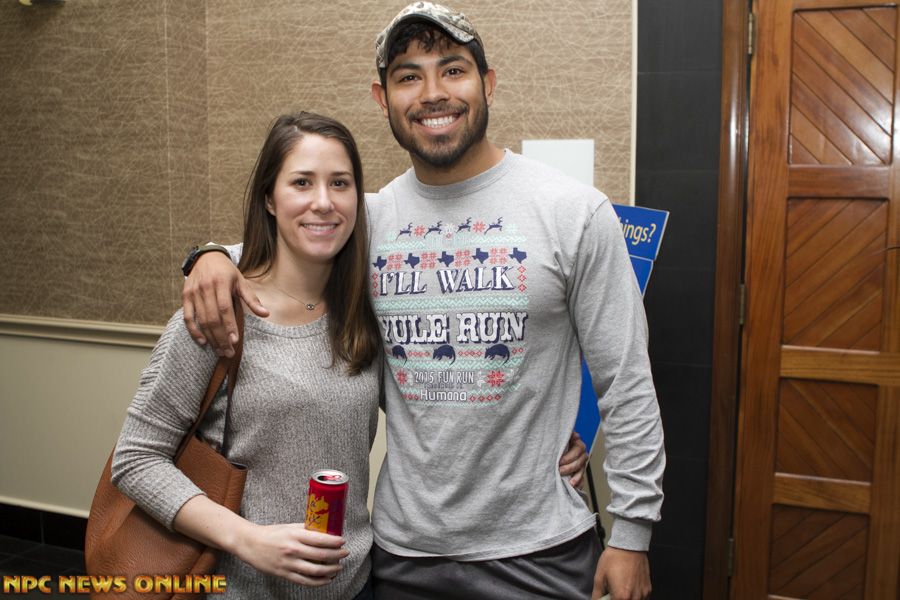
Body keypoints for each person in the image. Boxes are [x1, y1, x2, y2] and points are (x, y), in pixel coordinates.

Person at [182, 3, 664, 599]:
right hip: (403, 555)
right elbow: (283, 245)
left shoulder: (573, 212)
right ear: (383, 99)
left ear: (488, 84)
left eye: (453, 69)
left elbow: (627, 381)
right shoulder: (369, 221)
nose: (433, 93)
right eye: (409, 76)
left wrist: (632, 534)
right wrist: (209, 255)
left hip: (541, 552)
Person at [112, 112, 383, 599]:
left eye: (340, 183)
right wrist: (247, 539)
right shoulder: (218, 313)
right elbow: (136, 459)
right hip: (242, 588)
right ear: (269, 199)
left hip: (353, 586)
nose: (324, 202)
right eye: (302, 182)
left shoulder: (363, 312)